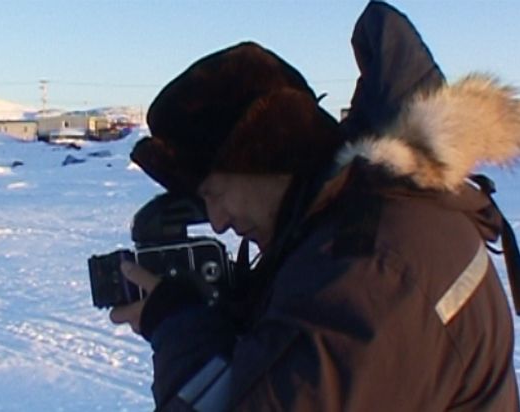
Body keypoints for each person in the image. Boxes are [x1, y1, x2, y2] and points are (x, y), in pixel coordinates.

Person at [110, 2, 520, 411]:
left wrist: (180, 329)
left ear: (263, 156)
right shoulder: (367, 224)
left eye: (214, 193)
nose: (216, 222)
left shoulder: (371, 269)